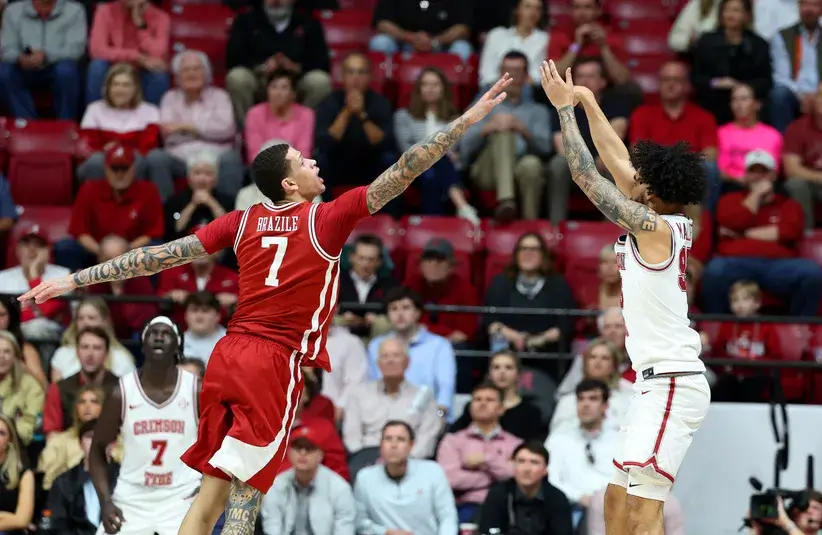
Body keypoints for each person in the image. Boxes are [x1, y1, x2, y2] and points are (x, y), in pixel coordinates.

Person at [20, 74, 513, 535]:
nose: (314, 162)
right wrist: (464, 121)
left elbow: (156, 257)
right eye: (303, 161)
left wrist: (73, 282)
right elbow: (404, 170)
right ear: (290, 184)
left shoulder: (241, 220)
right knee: (248, 491)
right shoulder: (327, 219)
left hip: (228, 355)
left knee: (214, 485)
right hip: (272, 363)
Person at [539, 59, 711, 535]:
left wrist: (564, 113)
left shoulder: (657, 229)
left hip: (674, 381)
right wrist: (588, 100)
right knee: (615, 500)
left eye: (639, 178)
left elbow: (587, 177)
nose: (629, 176)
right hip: (652, 384)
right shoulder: (655, 215)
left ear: (652, 193)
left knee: (644, 505)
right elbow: (615, 159)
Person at [88, 316, 200, 535]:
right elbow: (97, 450)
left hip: (182, 498)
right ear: (142, 342)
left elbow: (220, 445)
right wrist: (105, 502)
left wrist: (205, 493)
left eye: (166, 333)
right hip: (132, 499)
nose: (159, 337)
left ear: (178, 344)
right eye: (153, 333)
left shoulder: (196, 390)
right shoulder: (122, 392)